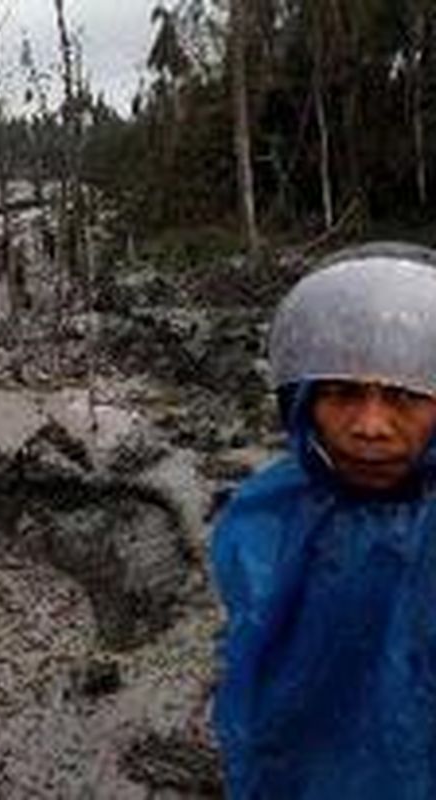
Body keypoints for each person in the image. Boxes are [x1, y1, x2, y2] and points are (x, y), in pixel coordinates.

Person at [212, 242, 436, 799]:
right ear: (304, 401)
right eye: (341, 393)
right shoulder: (266, 516)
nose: (371, 426)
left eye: (405, 397)